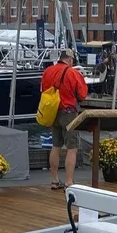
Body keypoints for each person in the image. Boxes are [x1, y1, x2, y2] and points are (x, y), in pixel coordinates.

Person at [43, 49, 88, 189]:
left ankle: (54, 180)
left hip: (52, 112)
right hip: (68, 112)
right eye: (72, 59)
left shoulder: (47, 71)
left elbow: (43, 90)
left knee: (55, 145)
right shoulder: (73, 73)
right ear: (69, 59)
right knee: (72, 148)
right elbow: (82, 95)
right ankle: (69, 181)